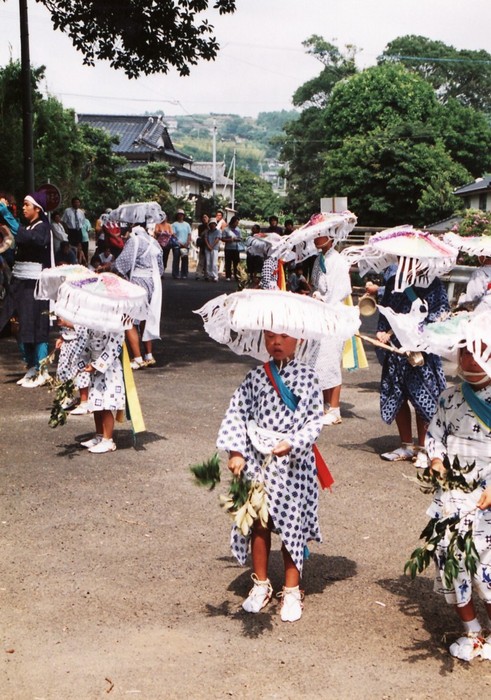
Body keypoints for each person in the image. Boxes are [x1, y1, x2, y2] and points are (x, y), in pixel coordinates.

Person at [417, 313, 491, 661]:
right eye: (463, 351)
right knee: (453, 562)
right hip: (452, 496)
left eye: (477, 351)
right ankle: (472, 630)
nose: (468, 359)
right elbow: (435, 435)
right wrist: (435, 459)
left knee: (487, 569)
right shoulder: (449, 397)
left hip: (487, 500)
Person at [0, 191, 53, 387]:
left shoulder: (43, 228)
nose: (23, 208)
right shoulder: (30, 226)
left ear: (37, 209)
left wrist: (5, 213)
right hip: (20, 282)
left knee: (36, 324)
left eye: (26, 205)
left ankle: (41, 368)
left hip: (35, 284)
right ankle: (31, 365)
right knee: (18, 323)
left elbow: (28, 239)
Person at [113, 225, 164, 369]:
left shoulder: (134, 241)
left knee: (128, 319)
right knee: (145, 318)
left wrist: (110, 268)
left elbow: (121, 264)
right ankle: (149, 355)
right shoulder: (154, 242)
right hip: (152, 283)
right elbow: (160, 268)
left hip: (137, 282)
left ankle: (137, 358)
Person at [78, 328, 126, 453]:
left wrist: (97, 365)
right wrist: (82, 363)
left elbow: (114, 347)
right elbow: (88, 343)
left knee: (106, 405)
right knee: (96, 403)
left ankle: (107, 440)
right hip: (95, 367)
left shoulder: (115, 323)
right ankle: (99, 435)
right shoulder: (93, 321)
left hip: (110, 370)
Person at [171, 209, 191, 279]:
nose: (180, 216)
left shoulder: (187, 224)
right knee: (176, 260)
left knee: (185, 260)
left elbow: (189, 234)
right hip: (177, 245)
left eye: (182, 215)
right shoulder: (174, 224)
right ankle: (175, 274)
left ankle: (184, 274)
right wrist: (179, 243)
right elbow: (173, 235)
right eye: (179, 214)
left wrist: (187, 242)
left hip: (185, 245)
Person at [221, 215, 242, 281]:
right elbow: (223, 238)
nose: (237, 224)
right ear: (232, 222)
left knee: (236, 263)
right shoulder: (226, 229)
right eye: (236, 222)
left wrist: (237, 239)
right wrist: (230, 239)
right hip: (228, 248)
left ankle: (236, 275)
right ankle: (228, 276)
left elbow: (240, 238)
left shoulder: (238, 229)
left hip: (236, 248)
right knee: (228, 263)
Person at [204, 218, 221, 282]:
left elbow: (217, 239)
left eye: (214, 224)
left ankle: (215, 276)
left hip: (215, 249)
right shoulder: (207, 232)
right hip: (207, 248)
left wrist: (211, 246)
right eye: (211, 224)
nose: (212, 225)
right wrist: (208, 246)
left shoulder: (218, 231)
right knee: (208, 263)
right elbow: (205, 239)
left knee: (214, 263)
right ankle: (208, 275)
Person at [195, 213, 209, 280]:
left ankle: (206, 275)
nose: (204, 219)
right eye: (203, 217)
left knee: (207, 261)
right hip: (203, 245)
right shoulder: (200, 226)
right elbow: (200, 235)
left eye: (206, 217)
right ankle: (198, 274)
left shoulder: (211, 225)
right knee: (201, 260)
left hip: (209, 245)